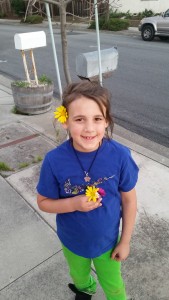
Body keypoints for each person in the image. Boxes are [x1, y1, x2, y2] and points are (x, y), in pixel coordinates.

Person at [37, 81, 139, 300]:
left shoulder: (120, 156)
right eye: (80, 119)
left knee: (113, 286)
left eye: (97, 119)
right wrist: (73, 204)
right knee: (79, 276)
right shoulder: (54, 161)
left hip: (108, 242)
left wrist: (125, 240)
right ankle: (85, 290)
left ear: (107, 121)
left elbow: (129, 200)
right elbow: (43, 201)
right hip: (72, 241)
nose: (90, 128)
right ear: (65, 120)